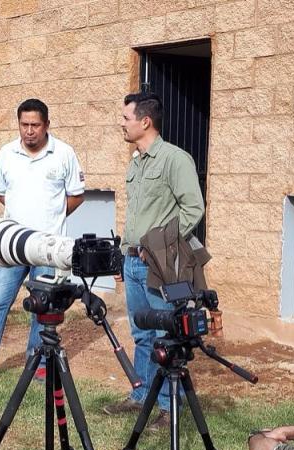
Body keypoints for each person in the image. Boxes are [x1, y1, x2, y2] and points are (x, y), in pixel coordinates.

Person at [0, 98, 85, 385]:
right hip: (10, 246)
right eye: (24, 125)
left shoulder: (64, 154)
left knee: (42, 306)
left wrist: (52, 217)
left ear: (46, 125)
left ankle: (38, 363)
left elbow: (76, 195)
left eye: (35, 125)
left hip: (47, 249)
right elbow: (1, 193)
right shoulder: (6, 154)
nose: (29, 131)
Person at [103, 91, 204, 422]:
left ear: (145, 121)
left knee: (165, 334)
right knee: (141, 332)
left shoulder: (175, 159)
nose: (121, 123)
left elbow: (193, 209)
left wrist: (159, 246)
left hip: (159, 263)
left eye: (125, 118)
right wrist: (122, 255)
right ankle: (141, 395)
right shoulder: (136, 162)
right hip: (133, 261)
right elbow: (136, 215)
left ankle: (167, 405)